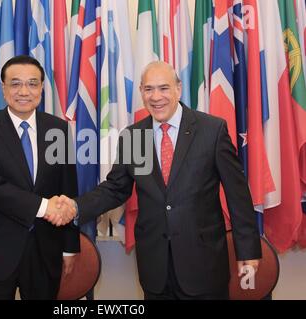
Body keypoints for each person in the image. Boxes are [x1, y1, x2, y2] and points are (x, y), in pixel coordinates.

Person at [55, 61, 262, 300]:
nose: (156, 97)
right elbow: (115, 189)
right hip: (155, 268)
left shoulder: (211, 130)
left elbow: (238, 194)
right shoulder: (133, 136)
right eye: (149, 89)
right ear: (141, 91)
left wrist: (247, 249)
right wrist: (75, 206)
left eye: (163, 88)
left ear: (178, 88)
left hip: (204, 264)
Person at [0, 55, 79, 300]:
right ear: (4, 89)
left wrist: (70, 247)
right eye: (15, 84)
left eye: (32, 83)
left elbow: (67, 188)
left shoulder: (57, 129)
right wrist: (43, 206)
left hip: (45, 250)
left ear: (41, 88)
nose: (24, 91)